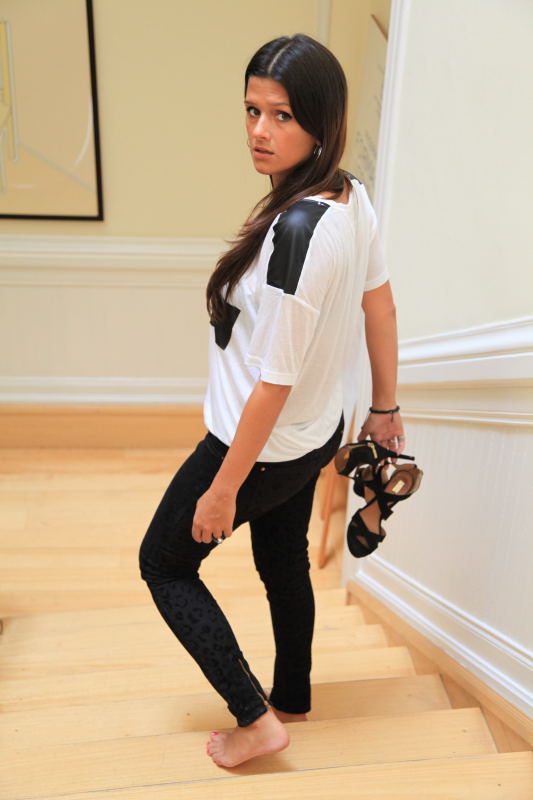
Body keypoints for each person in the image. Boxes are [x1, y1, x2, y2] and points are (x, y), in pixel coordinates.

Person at [139, 32, 405, 769]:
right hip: (315, 433)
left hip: (254, 444)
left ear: (321, 122)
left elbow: (274, 379)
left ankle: (256, 720)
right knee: (283, 562)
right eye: (252, 110)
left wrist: (224, 487)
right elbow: (379, 304)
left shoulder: (297, 231)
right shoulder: (350, 197)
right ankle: (291, 697)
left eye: (282, 115)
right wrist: (384, 408)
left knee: (165, 564)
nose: (260, 130)